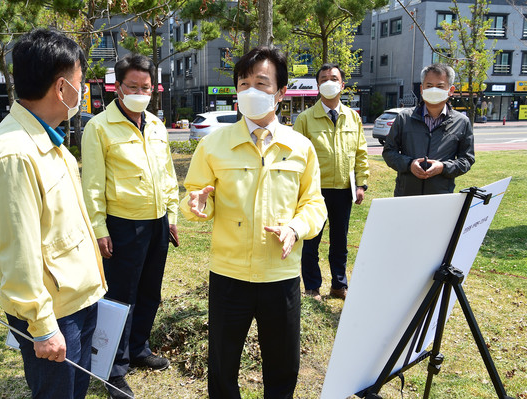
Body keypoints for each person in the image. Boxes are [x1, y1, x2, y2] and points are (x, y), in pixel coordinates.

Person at [180, 47, 327, 398]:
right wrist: (198, 203)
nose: (251, 92)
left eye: (261, 84)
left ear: (280, 92)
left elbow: (315, 204)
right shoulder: (214, 145)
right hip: (229, 274)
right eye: (244, 83)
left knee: (283, 367)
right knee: (222, 366)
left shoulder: (300, 147)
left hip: (281, 274)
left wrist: (295, 228)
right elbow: (197, 196)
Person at [0, 29, 107, 399]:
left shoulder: (49, 141)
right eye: (81, 84)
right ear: (62, 87)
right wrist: (43, 326)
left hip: (77, 299)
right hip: (54, 313)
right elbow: (19, 251)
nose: (82, 93)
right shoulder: (15, 154)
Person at [81, 54, 179, 398]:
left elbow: (167, 175)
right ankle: (114, 367)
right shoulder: (99, 127)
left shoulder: (155, 125)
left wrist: (172, 216)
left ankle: (138, 348)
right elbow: (92, 184)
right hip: (122, 226)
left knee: (150, 291)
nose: (140, 92)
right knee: (121, 297)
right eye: (133, 86)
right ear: (117, 88)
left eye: (146, 87)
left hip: (157, 223)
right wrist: (99, 229)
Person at [293, 63, 369, 301]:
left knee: (340, 242)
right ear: (317, 85)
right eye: (324, 78)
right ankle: (312, 287)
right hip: (315, 191)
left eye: (333, 78)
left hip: (343, 190)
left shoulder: (353, 118)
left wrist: (361, 184)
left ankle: (339, 285)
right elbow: (295, 157)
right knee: (311, 241)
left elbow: (360, 153)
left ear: (342, 85)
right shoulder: (305, 119)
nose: (329, 82)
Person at [382, 63, 475, 196]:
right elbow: (389, 152)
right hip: (406, 195)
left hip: (441, 196)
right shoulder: (404, 118)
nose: (434, 90)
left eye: (440, 86)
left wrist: (443, 167)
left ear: (451, 90)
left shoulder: (461, 122)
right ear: (421, 88)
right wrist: (409, 165)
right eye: (429, 86)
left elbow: (466, 159)